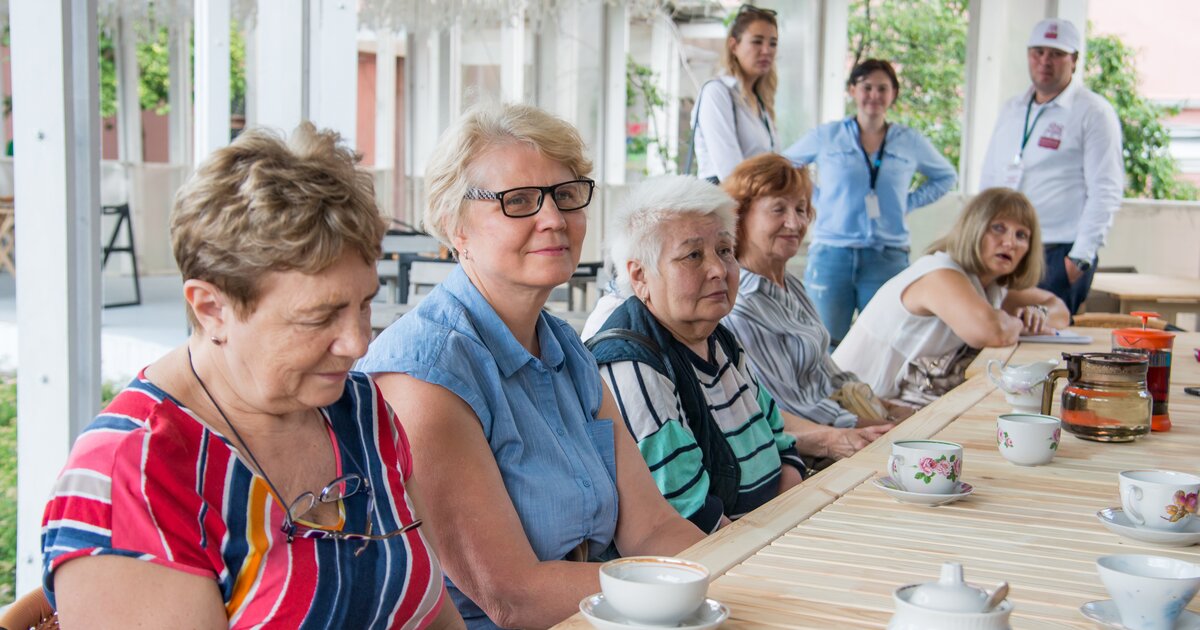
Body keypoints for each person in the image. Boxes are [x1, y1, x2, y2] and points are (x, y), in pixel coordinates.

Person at [41, 124, 462, 628]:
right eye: (318, 317)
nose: (357, 342)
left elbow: (432, 614)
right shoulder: (134, 474)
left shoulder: (360, 409)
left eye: (364, 303)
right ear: (211, 307)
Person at [357, 103, 705, 629]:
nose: (553, 219)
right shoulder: (424, 372)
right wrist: (695, 585)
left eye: (566, 196)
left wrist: (744, 571)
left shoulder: (564, 344)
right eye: (518, 201)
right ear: (456, 227)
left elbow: (652, 529)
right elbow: (514, 598)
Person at [585, 176, 889, 531]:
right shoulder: (634, 364)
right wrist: (778, 534)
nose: (718, 270)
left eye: (725, 251)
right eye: (693, 255)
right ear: (640, 277)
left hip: (772, 526)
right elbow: (691, 516)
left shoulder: (719, 339)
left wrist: (786, 517)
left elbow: (781, 442)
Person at [832, 188, 1070, 403]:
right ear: (973, 228)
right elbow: (992, 332)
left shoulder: (992, 285)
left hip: (891, 404)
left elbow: (1059, 309)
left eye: (1021, 235)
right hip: (851, 408)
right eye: (998, 228)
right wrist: (1020, 322)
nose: (1009, 242)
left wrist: (1037, 315)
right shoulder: (941, 273)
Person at [721, 154, 906, 429]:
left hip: (847, 419)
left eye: (801, 209)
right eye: (778, 209)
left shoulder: (790, 285)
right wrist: (878, 427)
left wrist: (888, 409)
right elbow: (787, 408)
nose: (795, 223)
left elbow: (827, 374)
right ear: (740, 215)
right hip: (819, 447)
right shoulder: (742, 303)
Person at [782, 59, 957, 345]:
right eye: (866, 87)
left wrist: (907, 203)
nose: (874, 95)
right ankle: (825, 393)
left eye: (882, 88)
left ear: (893, 94)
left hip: (887, 257)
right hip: (832, 254)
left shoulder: (908, 140)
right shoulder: (829, 136)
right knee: (824, 341)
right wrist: (817, 199)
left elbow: (946, 176)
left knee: (886, 341)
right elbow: (784, 164)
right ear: (853, 90)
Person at [980, 18, 1124, 315]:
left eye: (1057, 54)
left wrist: (1079, 259)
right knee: (998, 334)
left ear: (1074, 60)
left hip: (1058, 251)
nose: (1045, 60)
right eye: (1039, 51)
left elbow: (1106, 189)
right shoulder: (1013, 108)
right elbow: (990, 177)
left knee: (1047, 344)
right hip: (1005, 245)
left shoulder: (1093, 112)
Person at [689, 4, 780, 183]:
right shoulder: (717, 92)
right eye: (757, 41)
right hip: (727, 204)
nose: (766, 50)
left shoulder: (760, 101)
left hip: (755, 203)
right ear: (733, 45)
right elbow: (731, 173)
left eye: (773, 43)